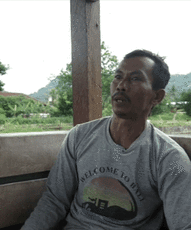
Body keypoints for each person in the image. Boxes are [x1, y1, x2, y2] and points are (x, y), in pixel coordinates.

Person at [21, 50, 191, 230]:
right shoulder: (80, 136)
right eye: (118, 76)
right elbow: (54, 200)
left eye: (135, 79)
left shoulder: (169, 158)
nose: (121, 85)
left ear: (157, 97)